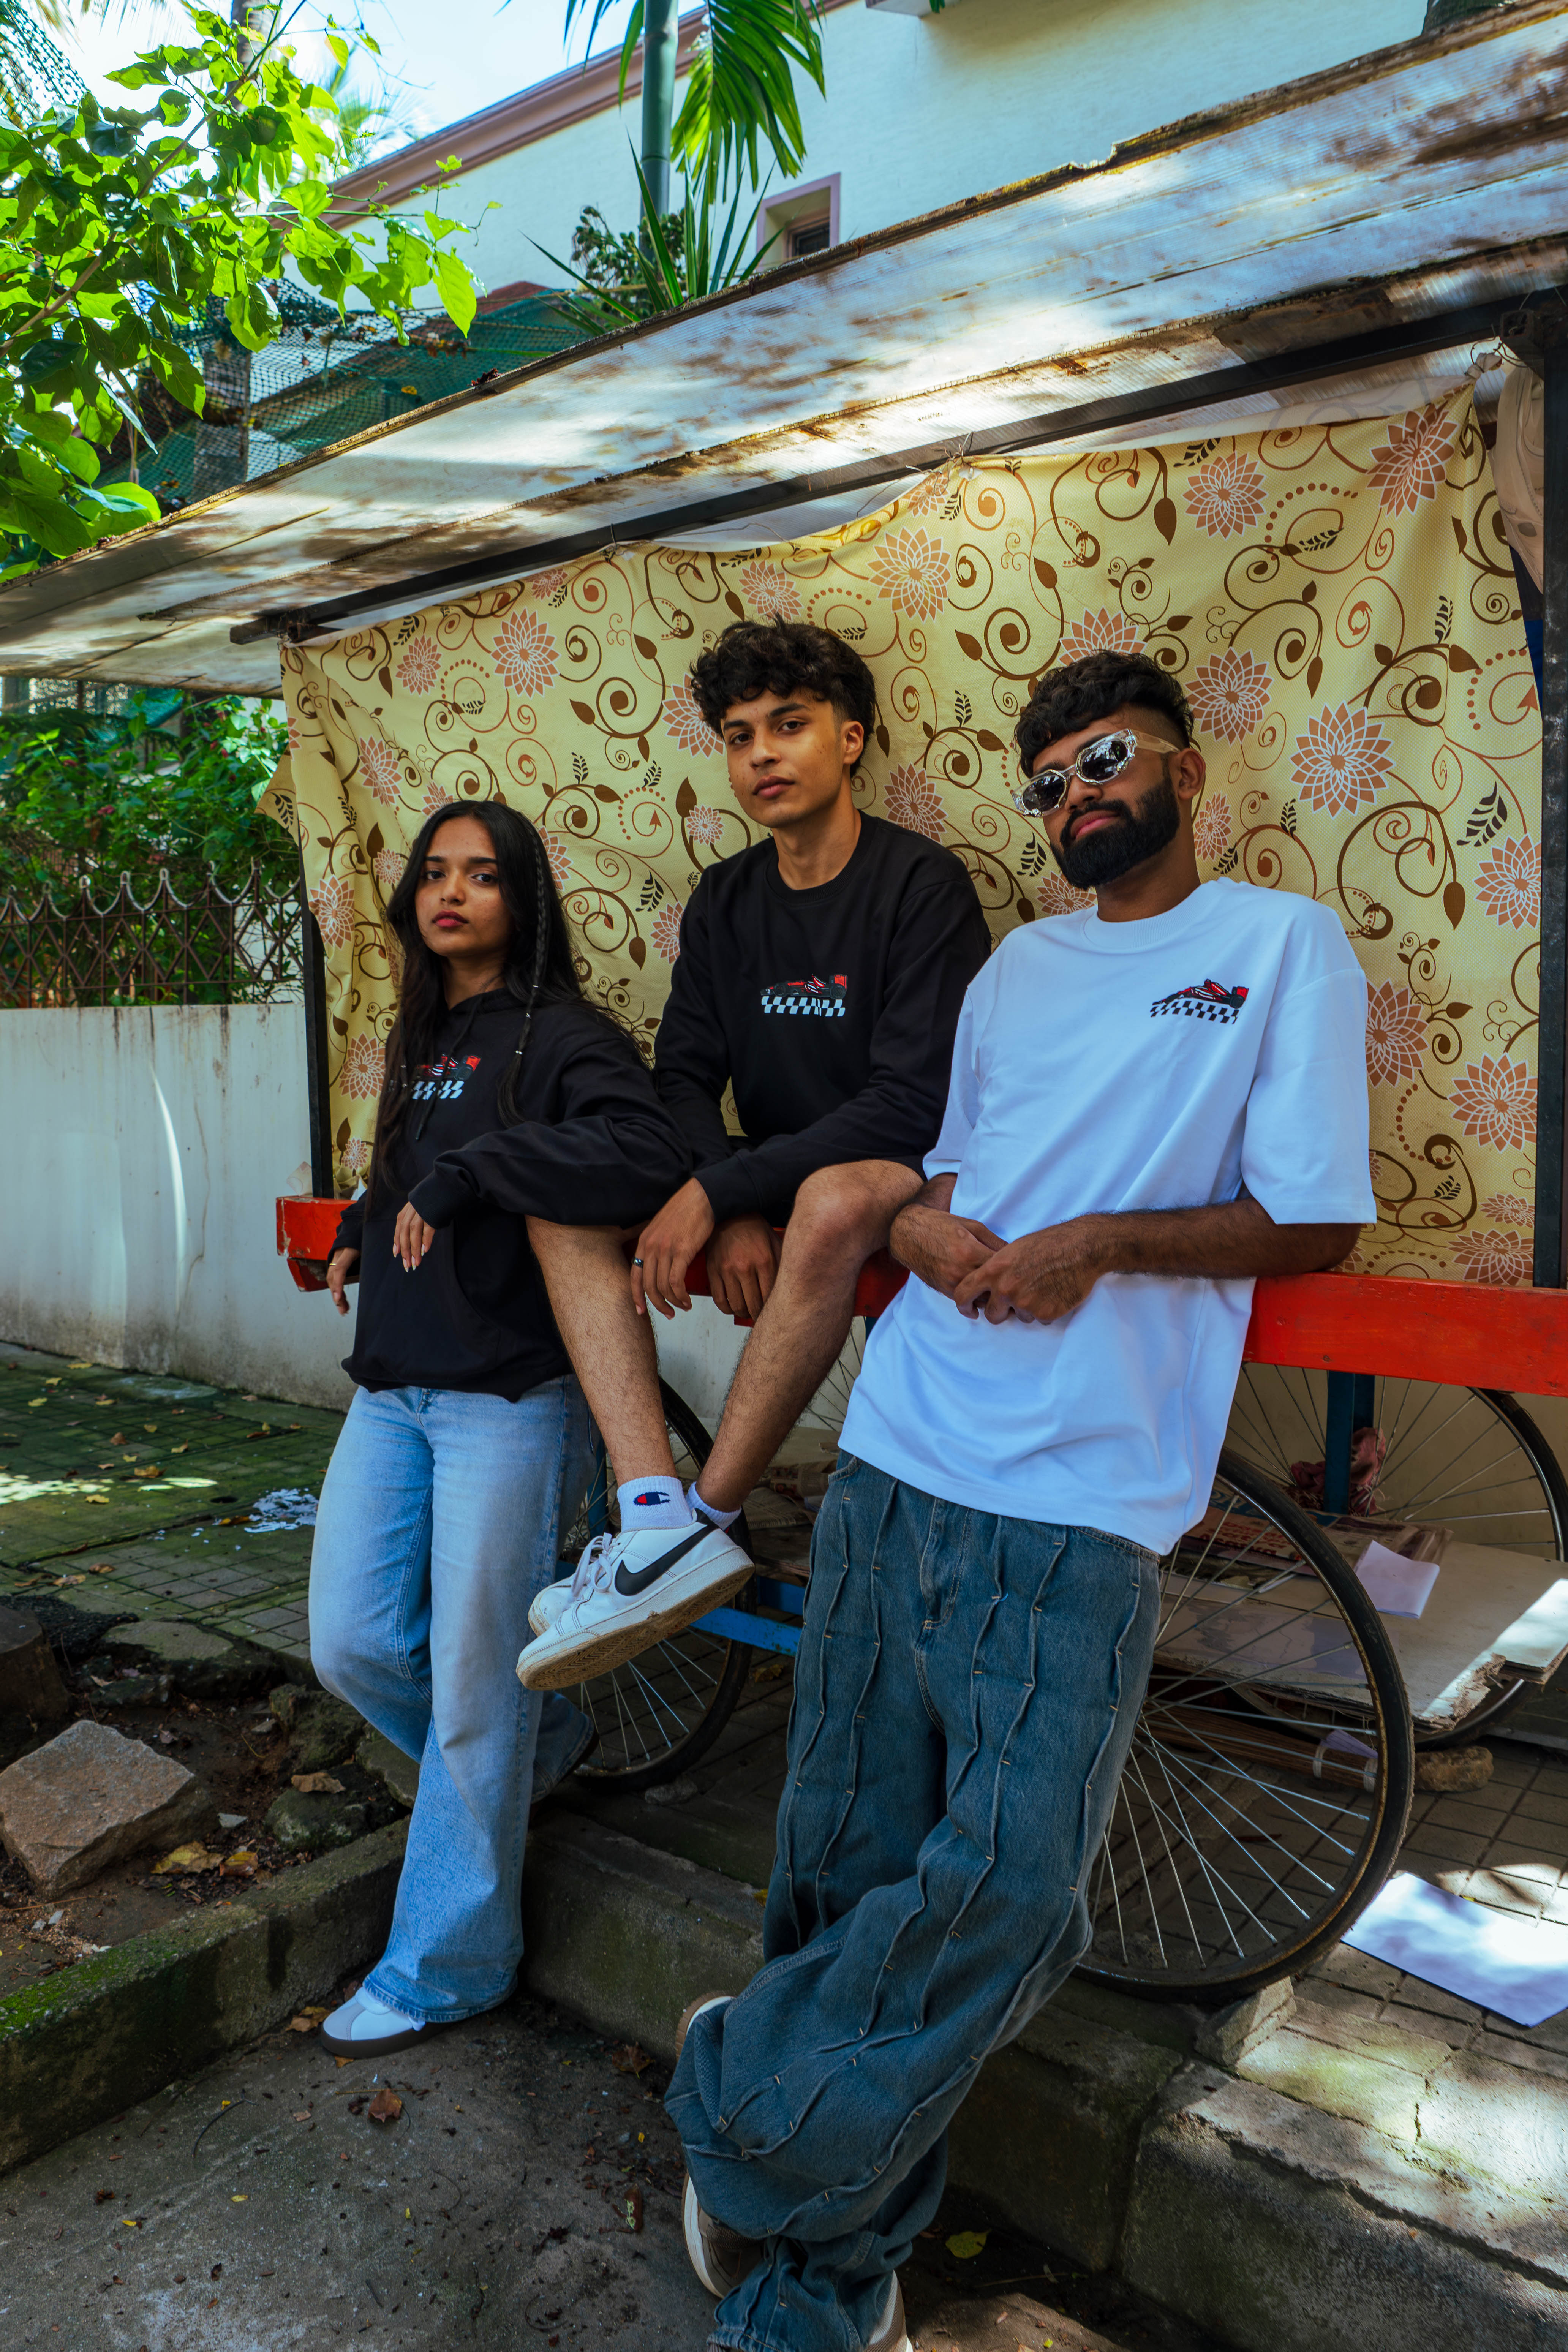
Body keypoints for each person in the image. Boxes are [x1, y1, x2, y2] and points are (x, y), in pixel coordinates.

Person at [665, 648, 1377, 2352]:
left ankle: (736, 2090)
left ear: (1186, 771)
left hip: (1087, 1494)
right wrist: (917, 1224)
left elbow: (1316, 1218)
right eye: (1048, 783)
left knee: (1012, 1890)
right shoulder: (1015, 972)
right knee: (842, 1859)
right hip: (903, 1447)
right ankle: (827, 2279)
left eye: (1106, 763)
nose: (1076, 799)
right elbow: (951, 1169)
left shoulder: (1283, 946)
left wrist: (1101, 1246)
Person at [309, 800, 744, 2061]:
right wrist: (365, 1220)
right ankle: (541, 1739)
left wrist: (482, 1172)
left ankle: (449, 1965)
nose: (452, 893)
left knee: (470, 1686)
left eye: (483, 875)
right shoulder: (421, 1031)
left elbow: (644, 1151)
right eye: (435, 873)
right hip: (392, 1389)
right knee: (351, 1644)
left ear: (525, 898)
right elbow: (412, 1165)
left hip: (507, 1398)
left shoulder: (560, 1035)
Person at [517, 619, 991, 1693]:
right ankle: (651, 1511)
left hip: (896, 1164)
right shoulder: (726, 900)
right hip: (760, 1170)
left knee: (828, 1198)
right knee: (562, 1200)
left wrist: (728, 1186)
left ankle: (708, 1519)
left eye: (790, 725)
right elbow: (684, 1074)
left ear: (850, 740)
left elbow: (909, 1100)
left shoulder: (921, 886)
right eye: (740, 736)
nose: (763, 755)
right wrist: (725, 1203)